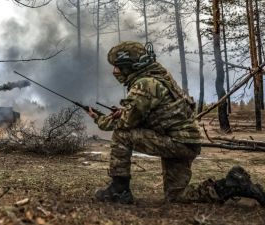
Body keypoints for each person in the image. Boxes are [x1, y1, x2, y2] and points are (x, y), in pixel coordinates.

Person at [85, 41, 265, 205]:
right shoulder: (160, 77)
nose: (114, 71)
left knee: (121, 135)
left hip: (176, 143)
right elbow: (156, 113)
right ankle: (233, 185)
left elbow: (126, 124)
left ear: (130, 67)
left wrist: (99, 119)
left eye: (118, 66)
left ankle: (119, 190)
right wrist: (125, 113)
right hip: (185, 143)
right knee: (177, 196)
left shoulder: (145, 83)